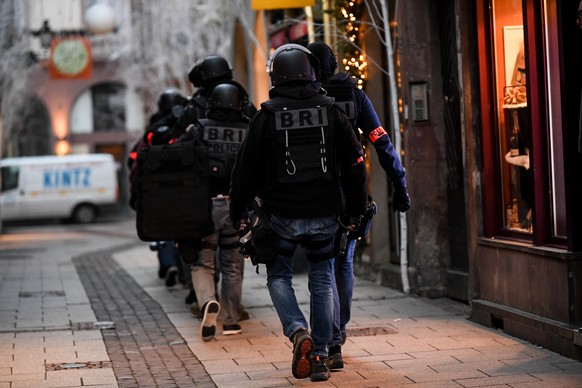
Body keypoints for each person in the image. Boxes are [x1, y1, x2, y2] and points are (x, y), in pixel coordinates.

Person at [229, 43, 368, 382]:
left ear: (276, 75)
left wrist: (240, 213)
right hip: (325, 213)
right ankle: (320, 355)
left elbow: (244, 170)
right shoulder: (331, 110)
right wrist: (355, 210)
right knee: (322, 279)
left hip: (282, 216)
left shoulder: (266, 116)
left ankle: (296, 332)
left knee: (279, 276)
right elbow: (355, 163)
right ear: (310, 72)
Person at [307, 41, 411, 370]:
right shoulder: (354, 94)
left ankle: (329, 341)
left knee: (321, 270)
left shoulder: (304, 98)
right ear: (335, 63)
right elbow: (381, 139)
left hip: (315, 196)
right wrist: (399, 183)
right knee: (344, 265)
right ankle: (337, 337)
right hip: (352, 193)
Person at [173, 55, 255, 319]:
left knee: (203, 261)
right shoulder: (248, 123)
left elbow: (176, 154)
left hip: (203, 203)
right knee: (232, 262)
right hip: (236, 203)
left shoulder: (195, 122)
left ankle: (207, 300)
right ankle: (232, 316)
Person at [127, 88, 189, 287]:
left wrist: (136, 193)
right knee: (186, 231)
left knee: (165, 232)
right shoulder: (187, 126)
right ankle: (185, 274)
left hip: (158, 191)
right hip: (185, 189)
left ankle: (169, 263)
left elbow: (134, 162)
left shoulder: (152, 131)